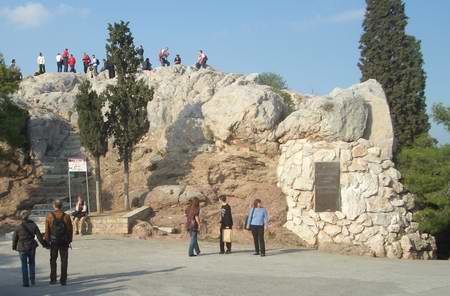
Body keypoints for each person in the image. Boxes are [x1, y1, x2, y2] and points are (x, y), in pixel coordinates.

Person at [12, 210, 48, 287]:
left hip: (21, 247)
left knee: (24, 265)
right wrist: (44, 245)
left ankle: (25, 283)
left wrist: (14, 247)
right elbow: (39, 237)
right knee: (32, 263)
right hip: (31, 246)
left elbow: (14, 238)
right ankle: (32, 280)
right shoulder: (33, 225)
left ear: (21, 217)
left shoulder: (18, 227)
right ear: (28, 216)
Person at [44, 199, 73, 285]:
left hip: (53, 241)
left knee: (53, 260)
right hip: (64, 242)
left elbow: (47, 230)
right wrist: (69, 240)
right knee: (64, 260)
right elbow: (70, 230)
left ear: (54, 206)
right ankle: (63, 280)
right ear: (61, 206)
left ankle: (53, 279)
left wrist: (47, 241)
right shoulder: (66, 216)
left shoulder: (49, 216)